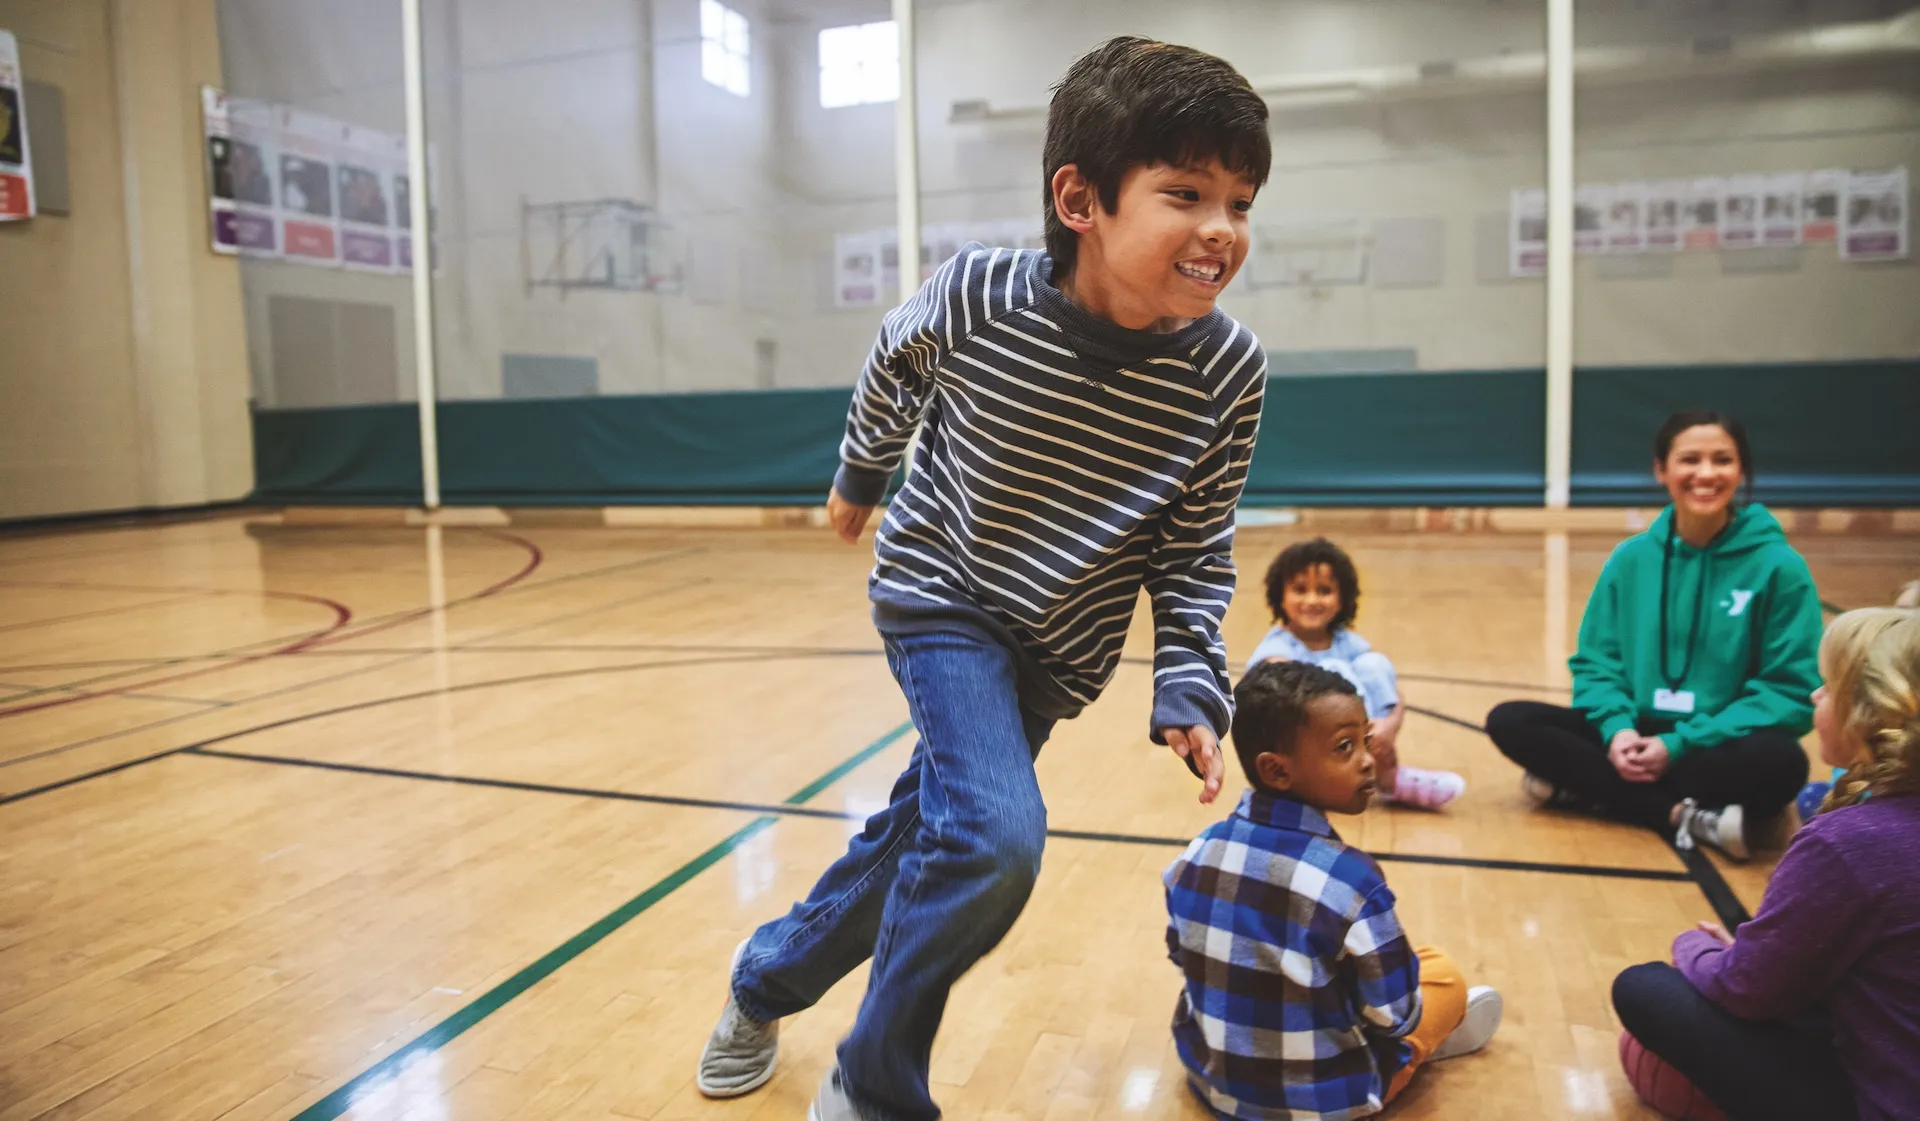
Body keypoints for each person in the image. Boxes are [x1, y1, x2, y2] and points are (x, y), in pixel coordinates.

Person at [696, 37, 1273, 1121]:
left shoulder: (1226, 370)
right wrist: (864, 471)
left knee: (926, 834)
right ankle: (876, 1083)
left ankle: (763, 978)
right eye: (1185, 192)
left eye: (1241, 201)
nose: (1222, 229)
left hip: (1060, 649)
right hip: (944, 593)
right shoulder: (980, 296)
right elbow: (893, 360)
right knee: (995, 838)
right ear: (1080, 197)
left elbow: (1195, 543)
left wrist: (1192, 682)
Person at [1611, 607, 1920, 1121]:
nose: (1814, 696)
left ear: (1870, 710)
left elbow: (1745, 991)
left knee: (1643, 988)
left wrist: (1696, 948)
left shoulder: (1850, 842)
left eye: (1827, 686)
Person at [1166, 661, 1503, 1119]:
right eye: (1345, 747)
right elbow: (1396, 1015)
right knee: (1443, 976)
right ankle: (1428, 1049)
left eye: (1366, 740)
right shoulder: (1352, 880)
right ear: (1277, 771)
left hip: (1213, 1086)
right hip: (1325, 1104)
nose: (1367, 758)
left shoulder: (1196, 853)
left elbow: (1183, 954)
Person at [1485, 411, 1822, 859]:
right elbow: (1597, 663)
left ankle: (1587, 789)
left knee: (1784, 765)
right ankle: (1684, 815)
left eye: (1722, 460)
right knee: (1511, 720)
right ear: (1661, 470)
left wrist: (1679, 743)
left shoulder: (1780, 567)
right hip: (1636, 730)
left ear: (1740, 470)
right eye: (1689, 460)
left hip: (1718, 740)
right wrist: (1618, 732)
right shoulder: (1631, 558)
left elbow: (1789, 692)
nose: (1706, 474)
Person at [1246, 537, 1466, 809]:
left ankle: (1386, 773)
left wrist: (1388, 727)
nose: (1312, 600)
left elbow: (1392, 692)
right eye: (1300, 590)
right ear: (1280, 596)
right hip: (1300, 749)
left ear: (1342, 599)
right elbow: (1278, 701)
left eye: (1324, 590)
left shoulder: (1344, 641)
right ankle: (1360, 776)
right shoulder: (1278, 648)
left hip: (1351, 739)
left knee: (1375, 664)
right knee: (1332, 676)